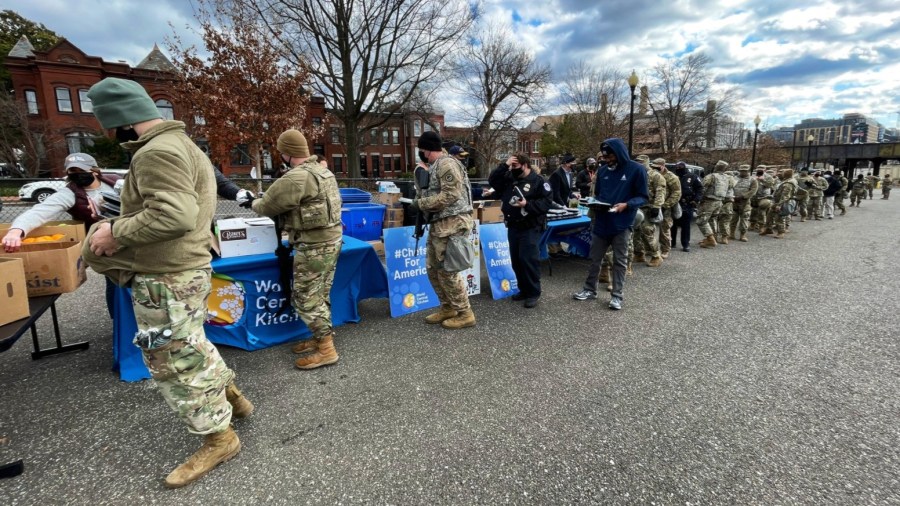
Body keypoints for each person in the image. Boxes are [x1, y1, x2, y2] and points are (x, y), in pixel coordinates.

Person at [83, 77, 252, 488]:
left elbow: (172, 216)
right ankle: (233, 400)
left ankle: (219, 438)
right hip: (187, 269)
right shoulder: (184, 145)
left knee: (173, 361)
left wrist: (114, 232)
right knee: (193, 342)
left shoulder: (156, 152)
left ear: (117, 120)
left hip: (166, 276)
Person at [241, 129, 343, 370]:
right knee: (320, 293)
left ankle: (326, 349)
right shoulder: (323, 170)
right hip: (332, 241)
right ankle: (321, 338)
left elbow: (266, 206)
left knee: (305, 299)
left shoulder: (296, 178)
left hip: (314, 246)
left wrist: (250, 201)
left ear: (286, 153)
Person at [2, 153, 121, 316]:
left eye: (81, 170)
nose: (77, 174)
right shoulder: (70, 193)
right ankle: (119, 323)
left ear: (94, 170)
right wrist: (16, 231)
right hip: (104, 244)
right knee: (115, 281)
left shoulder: (115, 181)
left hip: (128, 235)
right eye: (72, 171)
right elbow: (40, 211)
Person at [409, 131, 476, 329]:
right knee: (433, 269)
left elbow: (451, 195)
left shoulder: (447, 164)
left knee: (448, 271)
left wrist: (421, 203)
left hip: (453, 223)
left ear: (427, 150)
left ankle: (465, 313)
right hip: (440, 224)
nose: (420, 153)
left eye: (421, 150)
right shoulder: (434, 166)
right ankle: (448, 308)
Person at [572, 138, 648, 310]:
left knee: (619, 261)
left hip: (621, 223)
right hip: (602, 221)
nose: (606, 160)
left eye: (610, 157)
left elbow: (643, 196)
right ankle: (590, 289)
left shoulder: (637, 170)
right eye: (604, 157)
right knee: (594, 259)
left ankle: (617, 296)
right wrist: (593, 202)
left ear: (619, 153)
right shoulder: (604, 170)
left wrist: (627, 205)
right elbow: (599, 193)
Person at [488, 153, 552, 308]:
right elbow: (493, 181)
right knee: (516, 260)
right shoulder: (510, 178)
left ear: (525, 165)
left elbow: (546, 203)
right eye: (511, 166)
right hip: (513, 225)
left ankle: (533, 293)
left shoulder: (539, 181)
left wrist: (527, 205)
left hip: (530, 226)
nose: (513, 169)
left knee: (528, 260)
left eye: (515, 166)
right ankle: (523, 289)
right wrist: (505, 164)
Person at [633, 156, 666, 267]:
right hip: (636, 207)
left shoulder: (655, 176)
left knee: (647, 232)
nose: (638, 164)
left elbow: (660, 192)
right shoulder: (635, 174)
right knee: (636, 233)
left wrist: (657, 207)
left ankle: (656, 255)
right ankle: (639, 253)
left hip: (649, 208)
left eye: (641, 163)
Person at [696, 160, 731, 248]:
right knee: (712, 219)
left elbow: (702, 188)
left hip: (709, 201)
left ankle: (710, 239)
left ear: (716, 167)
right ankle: (713, 237)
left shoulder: (711, 176)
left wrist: (699, 199)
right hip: (719, 202)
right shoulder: (727, 178)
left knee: (701, 220)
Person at [671, 161, 702, 252]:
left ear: (685, 167)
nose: (678, 168)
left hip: (687, 203)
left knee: (686, 225)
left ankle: (685, 244)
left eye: (681, 167)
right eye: (677, 167)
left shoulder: (692, 176)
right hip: (674, 203)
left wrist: (696, 200)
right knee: (672, 224)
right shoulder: (673, 176)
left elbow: (699, 189)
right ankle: (672, 243)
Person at [653, 158, 681, 258]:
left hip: (666, 207)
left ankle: (665, 249)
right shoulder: (652, 175)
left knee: (664, 228)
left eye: (657, 167)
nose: (655, 168)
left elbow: (677, 193)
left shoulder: (672, 177)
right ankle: (650, 249)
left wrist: (666, 205)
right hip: (653, 205)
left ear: (663, 166)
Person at [761, 168, 797, 239]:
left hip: (782, 202)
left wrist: (779, 205)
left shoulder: (788, 183)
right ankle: (768, 229)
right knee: (770, 214)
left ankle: (781, 232)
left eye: (782, 172)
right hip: (777, 201)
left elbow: (785, 195)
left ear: (786, 174)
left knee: (779, 217)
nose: (780, 174)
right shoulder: (785, 181)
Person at [729, 164, 758, 242]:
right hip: (734, 201)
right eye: (741, 171)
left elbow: (753, 191)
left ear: (748, 171)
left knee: (744, 219)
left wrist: (743, 196)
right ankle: (731, 234)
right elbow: (730, 187)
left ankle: (743, 235)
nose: (742, 172)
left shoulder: (753, 180)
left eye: (744, 171)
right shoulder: (734, 178)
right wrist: (732, 196)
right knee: (733, 218)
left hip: (745, 202)